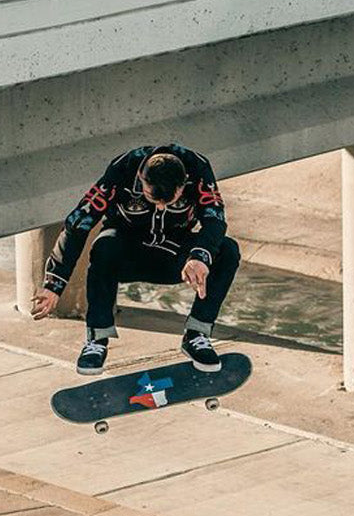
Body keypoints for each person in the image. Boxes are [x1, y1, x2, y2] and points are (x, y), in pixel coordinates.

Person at [30, 144, 241, 376]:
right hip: (128, 253)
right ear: (141, 179)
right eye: (153, 198)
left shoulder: (197, 168)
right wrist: (54, 285)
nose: (160, 206)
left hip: (175, 258)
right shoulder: (122, 170)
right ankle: (97, 341)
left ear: (183, 184)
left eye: (169, 201)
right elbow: (79, 223)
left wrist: (199, 256)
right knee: (104, 245)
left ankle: (197, 334)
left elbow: (215, 219)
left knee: (228, 250)